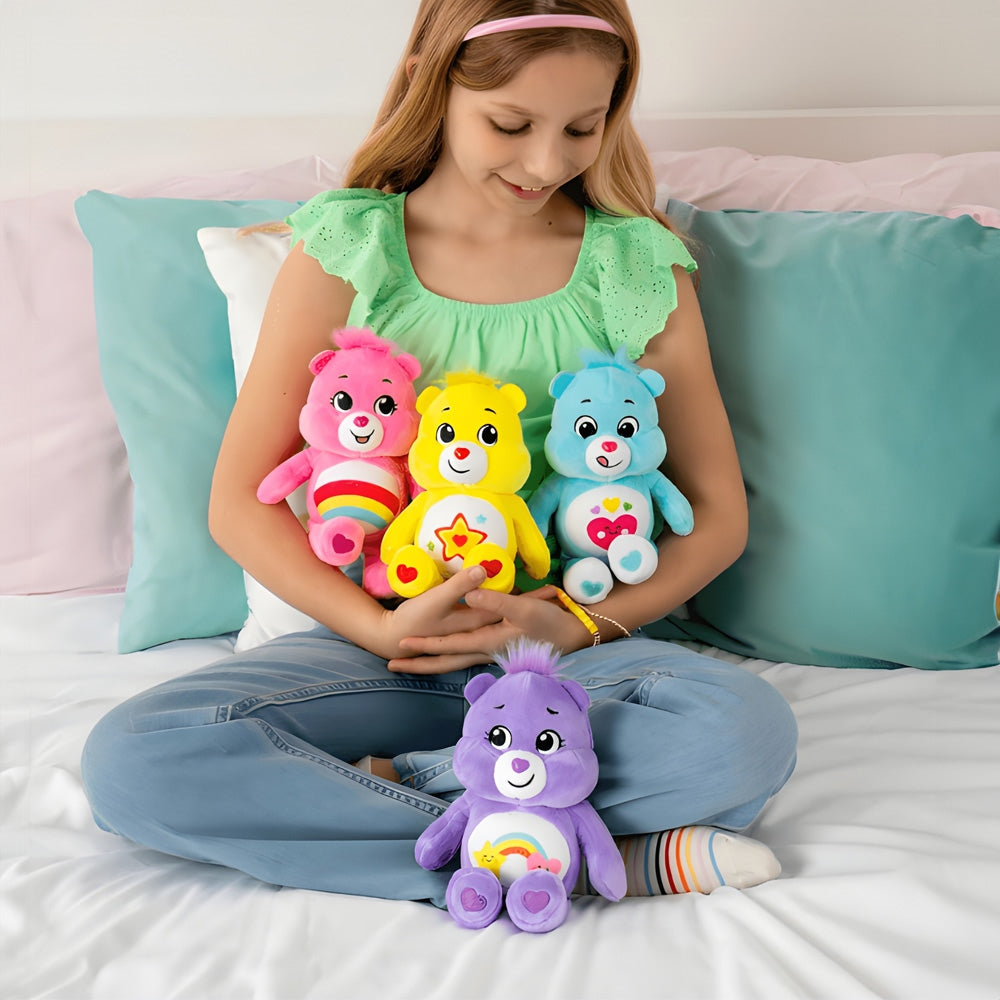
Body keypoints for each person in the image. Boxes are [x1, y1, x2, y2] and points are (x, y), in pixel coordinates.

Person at [81, 0, 797, 905]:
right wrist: (377, 626)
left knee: (743, 732)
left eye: (584, 126)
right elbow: (239, 502)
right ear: (431, 77)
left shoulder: (636, 266)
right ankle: (581, 850)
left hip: (564, 666)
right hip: (375, 652)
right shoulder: (351, 249)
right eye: (511, 124)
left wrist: (572, 626)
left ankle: (437, 808)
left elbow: (718, 517)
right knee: (131, 761)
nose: (547, 161)